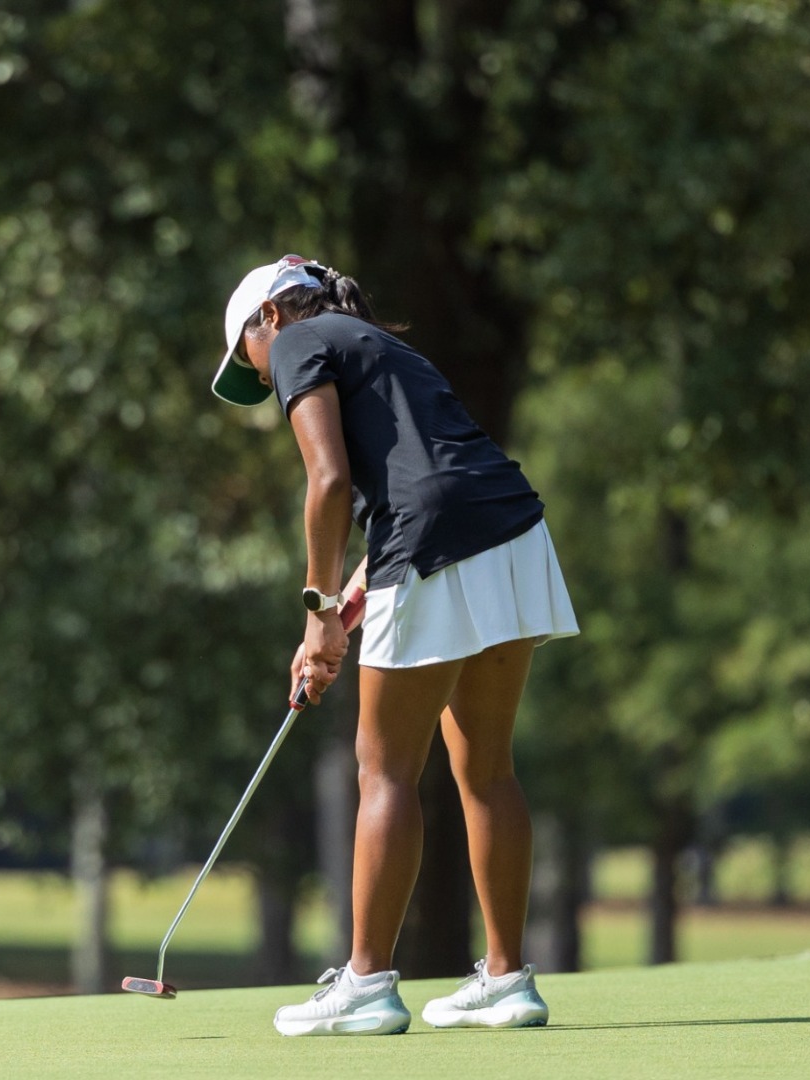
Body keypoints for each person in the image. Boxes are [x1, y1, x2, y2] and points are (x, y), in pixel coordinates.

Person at [209, 255, 578, 1036]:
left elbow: (331, 483)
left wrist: (315, 611)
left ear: (271, 316)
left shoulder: (301, 342)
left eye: (250, 357)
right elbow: (426, 472)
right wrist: (358, 590)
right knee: (486, 767)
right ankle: (509, 979)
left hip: (440, 538)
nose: (263, 375)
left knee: (384, 768)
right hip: (513, 528)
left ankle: (367, 983)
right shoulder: (383, 345)